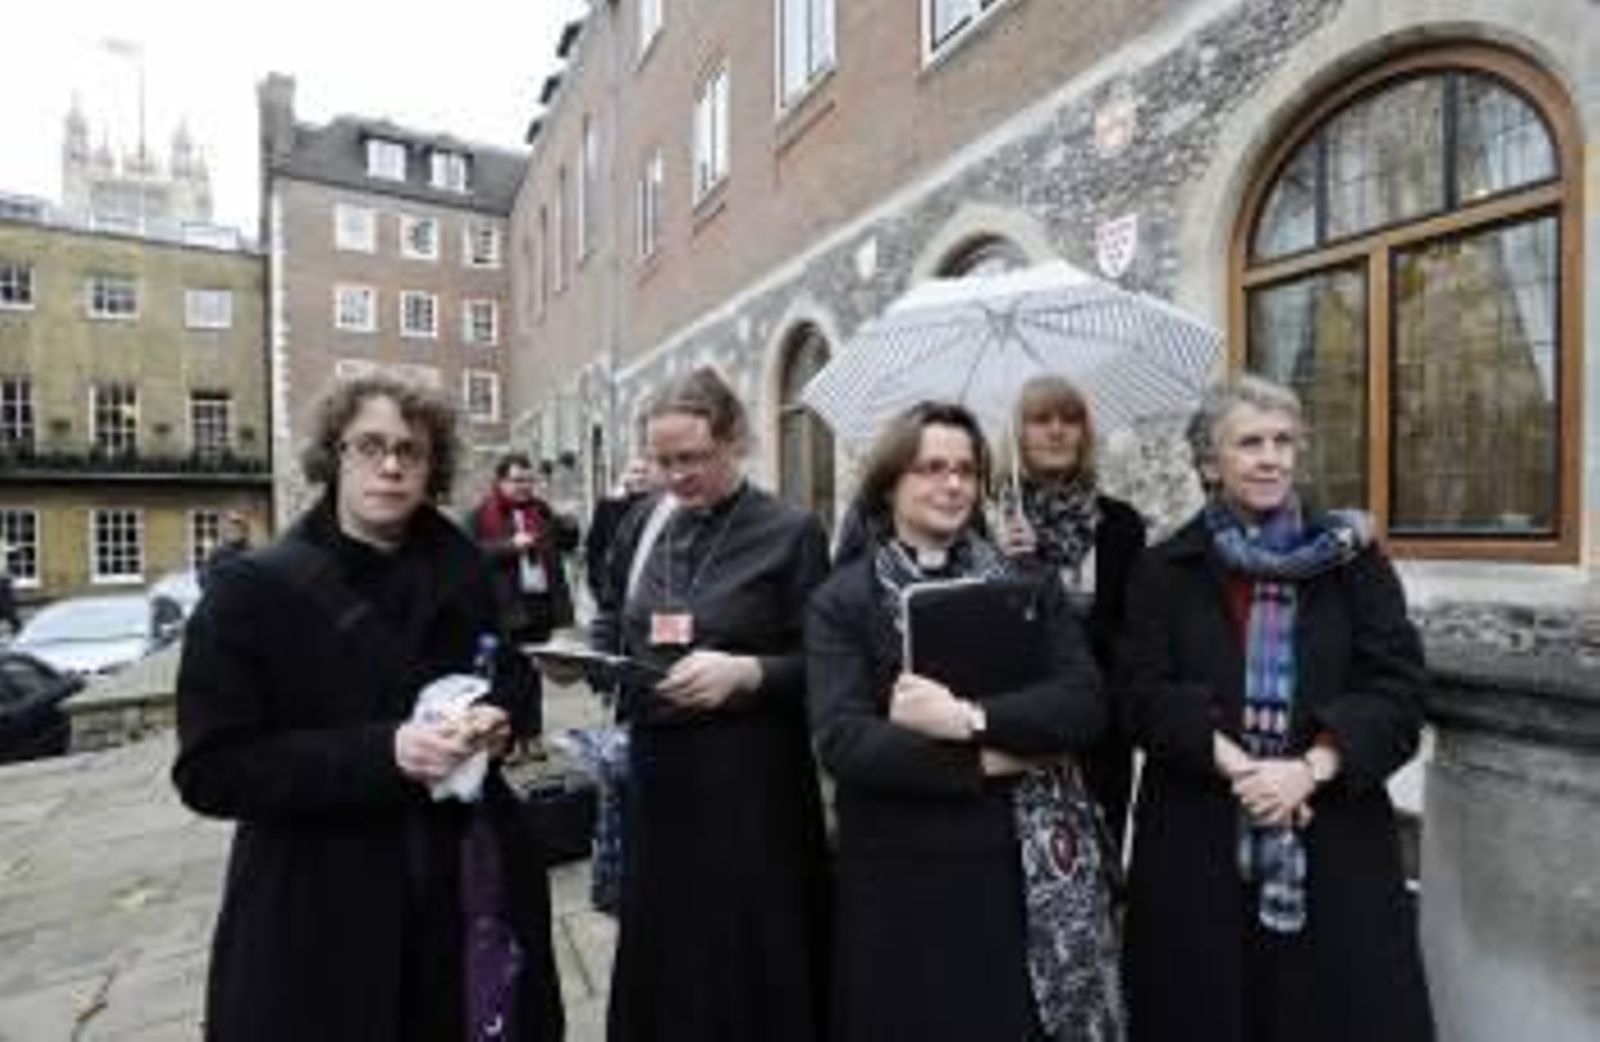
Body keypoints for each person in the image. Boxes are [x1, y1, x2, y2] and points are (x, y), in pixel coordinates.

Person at [172, 374, 564, 1042]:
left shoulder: (465, 566)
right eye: (369, 446)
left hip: (468, 891)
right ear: (334, 455)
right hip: (324, 912)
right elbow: (213, 769)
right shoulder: (251, 593)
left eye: (410, 450)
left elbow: (512, 675)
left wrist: (501, 716)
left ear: (431, 466)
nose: (391, 465)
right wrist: (385, 751)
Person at [1118, 373, 1433, 1042]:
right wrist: (1245, 770)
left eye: (1284, 441)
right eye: (1250, 442)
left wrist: (1307, 769)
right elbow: (1139, 694)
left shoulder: (1352, 561)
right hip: (1197, 845)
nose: (1271, 458)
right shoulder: (1163, 570)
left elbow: (1399, 691)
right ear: (1210, 463)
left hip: (1334, 839)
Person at [806, 400, 1117, 1042]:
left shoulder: (1026, 584)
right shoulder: (844, 599)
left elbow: (1084, 702)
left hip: (1020, 867)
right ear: (891, 482)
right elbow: (845, 739)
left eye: (966, 470)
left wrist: (969, 718)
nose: (952, 484)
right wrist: (991, 759)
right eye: (930, 468)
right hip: (902, 871)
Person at [579, 366, 831, 1042]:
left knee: (747, 945)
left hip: (752, 779)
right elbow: (610, 614)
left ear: (734, 442)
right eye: (663, 462)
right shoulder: (641, 522)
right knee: (667, 940)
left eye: (692, 458)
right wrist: (595, 663)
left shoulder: (790, 531)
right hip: (660, 774)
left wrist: (749, 671)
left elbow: (828, 665)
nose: (676, 477)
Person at [993, 374, 1147, 848]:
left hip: (1101, 732)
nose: (1057, 430)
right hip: (1019, 731)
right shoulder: (988, 522)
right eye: (1041, 419)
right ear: (1017, 434)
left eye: (1071, 419)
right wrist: (1002, 563)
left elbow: (1133, 629)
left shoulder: (1120, 523)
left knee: (1100, 869)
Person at [466, 451, 579, 744]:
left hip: (540, 605)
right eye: (517, 481)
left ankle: (532, 736)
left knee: (533, 674)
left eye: (528, 480)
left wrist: (569, 523)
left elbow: (566, 545)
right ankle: (509, 737)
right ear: (501, 481)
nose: (523, 487)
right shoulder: (481, 514)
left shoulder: (541, 510)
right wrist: (509, 546)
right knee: (508, 675)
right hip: (505, 608)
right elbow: (469, 557)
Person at [582, 455, 657, 603]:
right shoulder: (608, 506)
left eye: (645, 472)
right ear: (625, 476)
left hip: (651, 587)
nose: (640, 477)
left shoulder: (660, 507)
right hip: (616, 589)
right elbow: (595, 548)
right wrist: (599, 587)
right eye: (635, 472)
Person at [200, 510, 252, 589]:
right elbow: (204, 575)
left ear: (245, 531)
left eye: (238, 527)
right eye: (230, 528)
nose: (234, 530)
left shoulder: (252, 553)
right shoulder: (218, 553)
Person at [0, 541, 21, 638]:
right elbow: (8, 549)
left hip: (3, 579)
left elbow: (8, 549)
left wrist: (16, 547)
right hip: (3, 579)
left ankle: (16, 626)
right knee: (6, 605)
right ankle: (16, 626)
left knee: (6, 604)